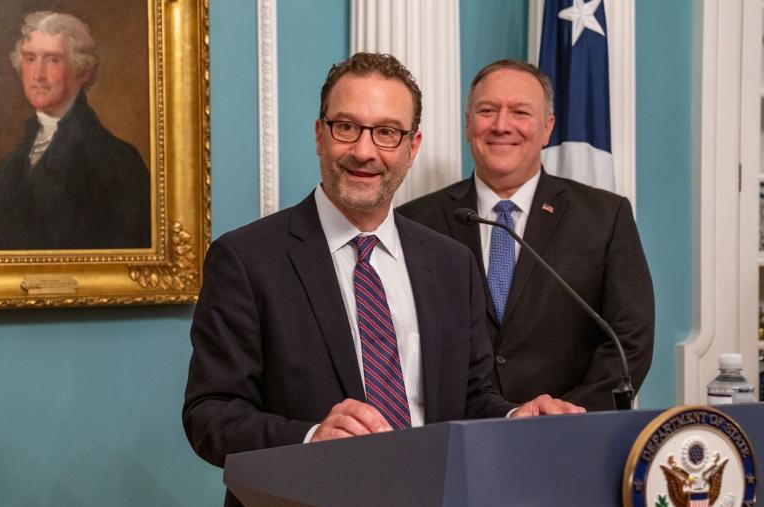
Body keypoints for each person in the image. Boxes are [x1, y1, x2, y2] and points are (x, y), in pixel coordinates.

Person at [183, 53, 583, 506]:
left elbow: (471, 398)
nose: (364, 151)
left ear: (412, 148)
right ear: (320, 135)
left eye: (387, 133)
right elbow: (209, 414)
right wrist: (312, 438)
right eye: (346, 127)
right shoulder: (246, 259)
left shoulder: (451, 263)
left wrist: (514, 418)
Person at [398, 59, 655, 411]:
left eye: (520, 112)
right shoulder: (415, 221)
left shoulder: (605, 218)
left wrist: (566, 415)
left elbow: (630, 338)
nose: (502, 126)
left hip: (568, 434)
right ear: (467, 124)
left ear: (547, 128)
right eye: (487, 111)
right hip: (455, 435)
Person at [0, 11, 150, 250]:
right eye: (30, 58)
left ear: (82, 71)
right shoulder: (8, 167)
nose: (38, 74)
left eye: (53, 59)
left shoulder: (118, 163)